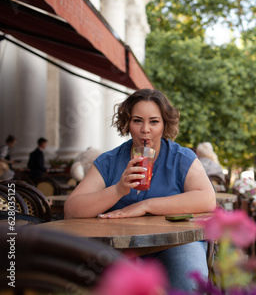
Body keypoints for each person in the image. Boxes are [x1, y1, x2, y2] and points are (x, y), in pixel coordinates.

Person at [64, 89, 216, 291]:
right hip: (118, 248)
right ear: (127, 123)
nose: (145, 129)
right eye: (137, 121)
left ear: (164, 125)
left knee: (188, 284)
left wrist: (146, 205)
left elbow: (207, 199)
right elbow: (72, 209)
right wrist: (118, 190)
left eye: (154, 121)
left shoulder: (181, 158)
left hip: (175, 245)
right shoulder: (109, 162)